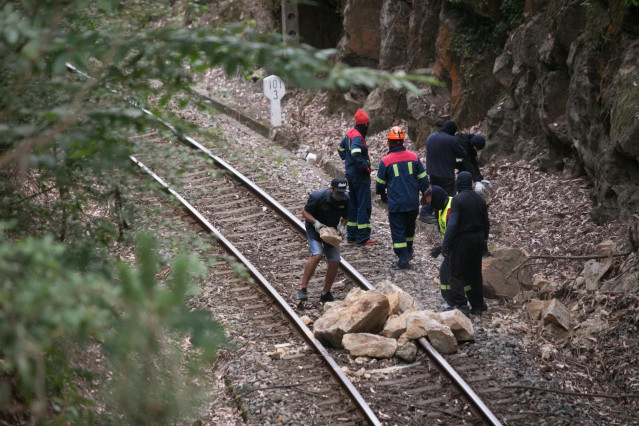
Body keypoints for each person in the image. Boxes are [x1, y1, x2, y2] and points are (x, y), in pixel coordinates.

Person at [375, 126, 429, 270]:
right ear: (403, 141)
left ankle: (403, 259)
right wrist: (425, 195)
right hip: (412, 202)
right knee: (409, 229)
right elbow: (424, 180)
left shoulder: (386, 161)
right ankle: (409, 251)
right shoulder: (414, 157)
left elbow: (379, 184)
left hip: (397, 204)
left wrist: (382, 194)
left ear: (389, 142)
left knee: (398, 231)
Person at [441, 171, 490, 316]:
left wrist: (446, 243)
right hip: (478, 239)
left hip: (463, 240)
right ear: (471, 183)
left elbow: (453, 224)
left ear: (459, 183)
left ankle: (461, 305)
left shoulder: (458, 200)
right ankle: (477, 306)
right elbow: (486, 223)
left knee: (455, 273)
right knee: (475, 275)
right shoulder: (480, 200)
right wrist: (484, 241)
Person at [297, 178, 350, 303]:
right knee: (317, 255)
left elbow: (346, 216)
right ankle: (302, 289)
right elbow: (304, 212)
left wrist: (342, 226)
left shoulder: (346, 199)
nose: (340, 195)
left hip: (331, 230)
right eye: (337, 192)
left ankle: (326, 292)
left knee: (335, 260)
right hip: (314, 229)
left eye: (342, 192)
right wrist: (315, 222)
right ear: (331, 189)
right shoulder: (317, 197)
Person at [337, 109, 376, 246]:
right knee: (363, 206)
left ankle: (352, 235)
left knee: (353, 205)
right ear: (363, 125)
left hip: (351, 175)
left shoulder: (350, 133)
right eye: (366, 125)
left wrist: (346, 160)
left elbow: (340, 149)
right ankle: (363, 237)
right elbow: (355, 154)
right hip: (360, 177)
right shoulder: (358, 137)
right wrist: (364, 166)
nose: (367, 127)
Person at [418, 120, 466, 224]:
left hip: (432, 172)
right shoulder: (451, 140)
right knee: (448, 196)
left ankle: (425, 213)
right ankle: (449, 217)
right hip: (446, 173)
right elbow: (462, 153)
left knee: (433, 192)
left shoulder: (431, 137)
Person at [424, 186, 455, 308]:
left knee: (448, 273)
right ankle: (452, 301)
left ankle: (456, 302)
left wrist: (441, 248)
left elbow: (453, 232)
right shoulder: (441, 208)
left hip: (457, 246)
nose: (430, 206)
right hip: (449, 247)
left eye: (431, 202)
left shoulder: (451, 208)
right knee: (446, 273)